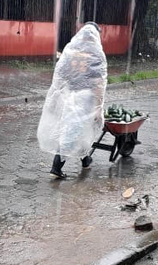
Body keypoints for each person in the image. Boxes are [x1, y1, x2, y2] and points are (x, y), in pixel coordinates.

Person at [37, 22, 107, 179]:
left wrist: (58, 96)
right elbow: (99, 84)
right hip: (87, 99)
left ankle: (85, 160)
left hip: (70, 97)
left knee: (80, 129)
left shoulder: (71, 52)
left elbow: (61, 74)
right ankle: (56, 167)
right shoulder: (97, 55)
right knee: (72, 131)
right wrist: (99, 107)